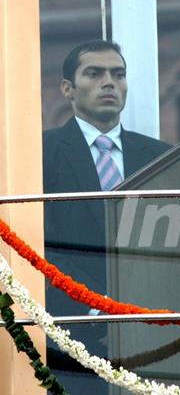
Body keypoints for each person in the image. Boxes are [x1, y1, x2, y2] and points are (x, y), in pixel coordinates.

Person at [43, 39, 170, 392]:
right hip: (70, 338)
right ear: (67, 88)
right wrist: (91, 309)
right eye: (94, 73)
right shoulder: (41, 154)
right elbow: (36, 247)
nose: (109, 82)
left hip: (152, 336)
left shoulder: (162, 158)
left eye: (118, 74)